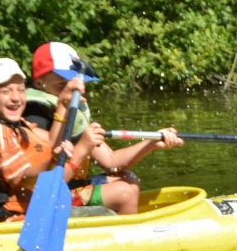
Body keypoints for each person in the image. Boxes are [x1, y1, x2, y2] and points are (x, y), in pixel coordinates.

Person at [23, 41, 183, 215]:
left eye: (75, 84)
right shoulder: (34, 116)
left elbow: (112, 161)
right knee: (124, 193)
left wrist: (151, 142)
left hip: (69, 189)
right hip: (46, 197)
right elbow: (45, 165)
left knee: (128, 178)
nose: (73, 91)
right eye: (63, 85)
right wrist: (83, 145)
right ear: (39, 84)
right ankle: (126, 235)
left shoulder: (76, 115)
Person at [0, 58, 103, 222]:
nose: (16, 98)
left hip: (31, 208)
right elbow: (26, 178)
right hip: (11, 218)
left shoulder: (17, 124)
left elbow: (52, 143)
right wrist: (77, 150)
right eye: (6, 92)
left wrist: (64, 102)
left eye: (21, 90)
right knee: (111, 206)